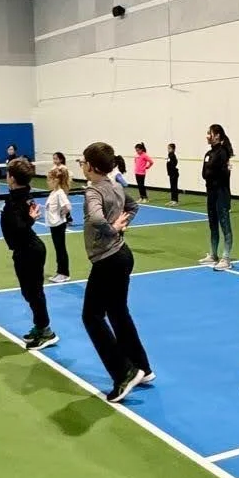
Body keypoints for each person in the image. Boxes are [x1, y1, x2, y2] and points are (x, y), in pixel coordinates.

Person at [81, 142, 155, 403]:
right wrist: (121, 226)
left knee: (91, 316)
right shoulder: (116, 186)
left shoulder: (93, 191)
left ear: (91, 166)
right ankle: (142, 367)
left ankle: (124, 373)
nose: (82, 166)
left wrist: (113, 228)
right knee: (117, 312)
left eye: (83, 162)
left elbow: (96, 218)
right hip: (123, 256)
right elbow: (133, 207)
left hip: (108, 260)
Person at [1, 157, 58, 351]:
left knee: (34, 292)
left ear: (12, 178)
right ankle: (40, 326)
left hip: (29, 250)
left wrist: (31, 220)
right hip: (25, 249)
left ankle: (46, 332)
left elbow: (19, 227)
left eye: (8, 173)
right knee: (29, 292)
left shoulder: (18, 200)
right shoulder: (20, 195)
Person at [200, 124, 234, 270]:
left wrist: (212, 175)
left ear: (217, 135)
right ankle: (213, 254)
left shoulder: (223, 152)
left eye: (210, 133)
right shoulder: (208, 153)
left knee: (224, 224)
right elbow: (204, 173)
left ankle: (226, 258)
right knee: (212, 223)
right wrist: (211, 174)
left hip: (221, 192)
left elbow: (222, 174)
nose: (208, 136)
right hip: (211, 192)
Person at [45, 164, 72, 283]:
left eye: (49, 180)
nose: (48, 182)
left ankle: (64, 273)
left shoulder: (60, 193)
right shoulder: (53, 192)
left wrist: (62, 214)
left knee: (60, 249)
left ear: (56, 180)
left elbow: (68, 206)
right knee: (58, 248)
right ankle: (60, 271)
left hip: (58, 225)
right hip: (54, 225)